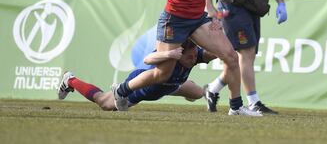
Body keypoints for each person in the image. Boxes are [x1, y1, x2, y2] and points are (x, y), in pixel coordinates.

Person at [112, 0, 261, 116]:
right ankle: (122, 90)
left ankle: (236, 107)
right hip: (173, 21)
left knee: (231, 56)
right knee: (162, 74)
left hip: (197, 20)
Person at [57, 40, 216, 109]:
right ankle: (70, 80)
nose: (194, 59)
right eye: (190, 56)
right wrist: (169, 55)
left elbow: (215, 53)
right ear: (179, 53)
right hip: (142, 87)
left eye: (195, 55)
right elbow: (148, 59)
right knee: (104, 103)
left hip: (170, 86)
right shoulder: (171, 55)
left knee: (198, 93)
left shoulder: (193, 54)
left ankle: (184, 84)